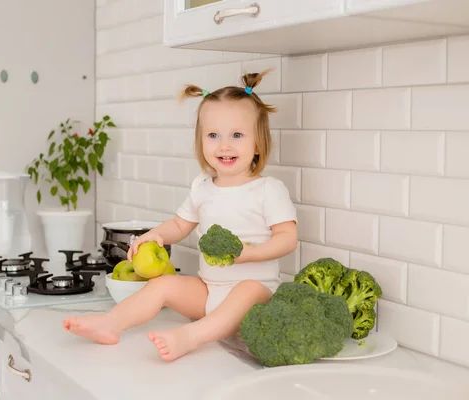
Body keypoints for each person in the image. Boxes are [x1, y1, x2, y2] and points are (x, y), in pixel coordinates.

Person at [63, 69, 298, 362]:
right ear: (200, 141)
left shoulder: (268, 189)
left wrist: (248, 254)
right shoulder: (202, 187)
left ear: (258, 143)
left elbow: (288, 239)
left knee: (248, 289)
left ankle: (190, 337)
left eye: (237, 135)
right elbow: (180, 224)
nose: (224, 145)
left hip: (257, 294)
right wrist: (155, 235)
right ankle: (110, 324)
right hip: (207, 290)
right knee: (162, 283)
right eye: (213, 135)